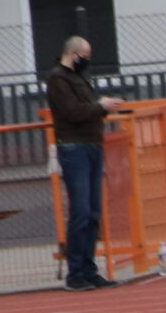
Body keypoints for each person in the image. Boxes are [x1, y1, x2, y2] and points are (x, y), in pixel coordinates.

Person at [44, 36, 123, 291]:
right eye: (85, 56)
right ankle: (75, 273)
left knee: (93, 212)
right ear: (73, 54)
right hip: (74, 147)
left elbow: (85, 108)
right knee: (81, 212)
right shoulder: (58, 78)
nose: (87, 60)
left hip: (91, 145)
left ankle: (89, 270)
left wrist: (101, 107)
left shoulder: (78, 77)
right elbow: (73, 112)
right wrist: (101, 106)